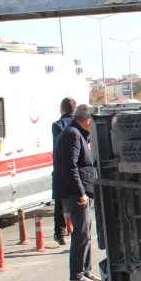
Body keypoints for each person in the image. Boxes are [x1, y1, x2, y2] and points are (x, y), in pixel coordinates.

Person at [55, 104, 99, 281]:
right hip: (75, 194)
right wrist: (80, 192)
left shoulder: (77, 133)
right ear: (87, 120)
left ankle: (86, 271)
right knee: (80, 235)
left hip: (82, 192)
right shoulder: (72, 134)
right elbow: (70, 166)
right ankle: (76, 276)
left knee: (86, 234)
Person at [51, 97, 77, 245]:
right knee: (79, 199)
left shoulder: (57, 125)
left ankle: (60, 233)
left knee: (60, 201)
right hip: (78, 169)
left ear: (62, 109)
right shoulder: (79, 124)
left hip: (61, 169)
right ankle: (77, 229)